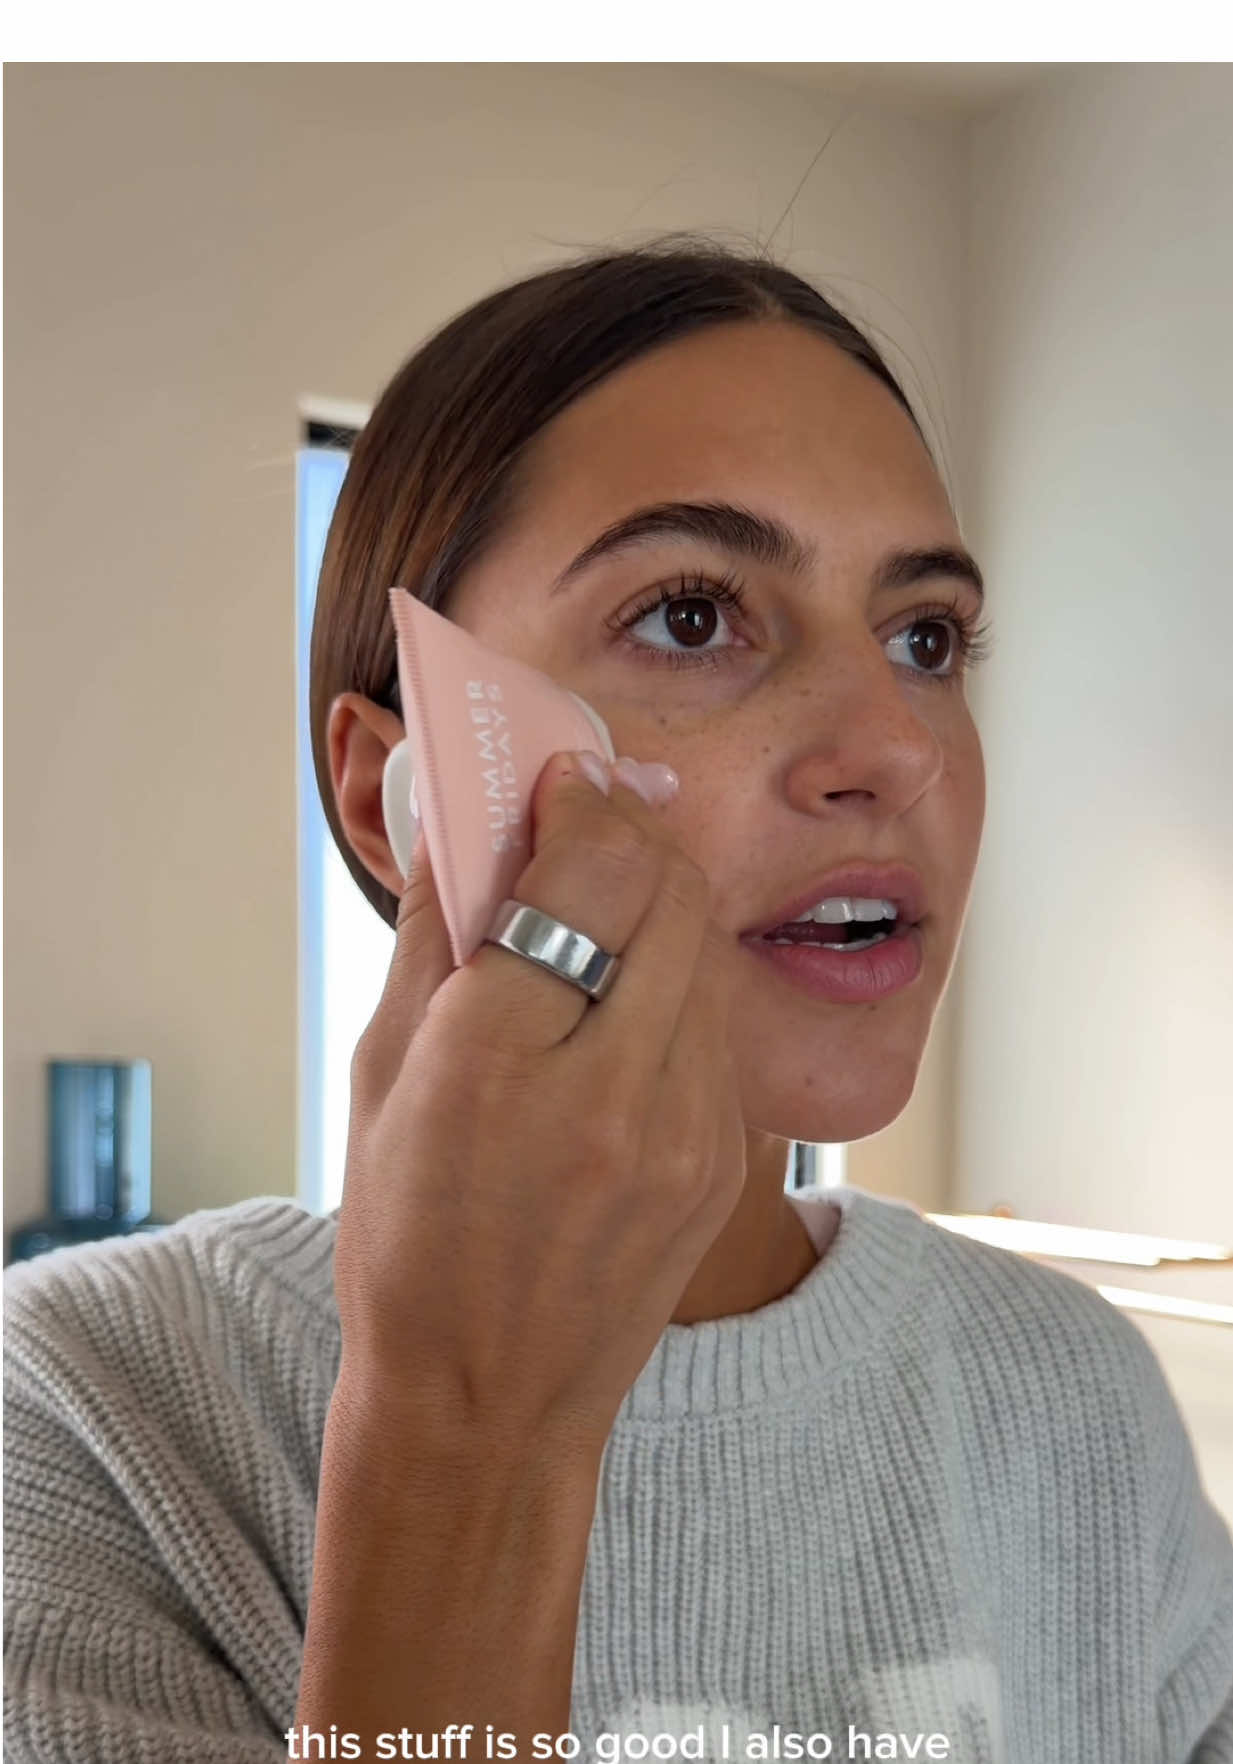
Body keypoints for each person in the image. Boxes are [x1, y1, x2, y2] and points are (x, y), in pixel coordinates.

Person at [5, 237, 1232, 1764]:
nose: (893, 747)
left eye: (924, 638)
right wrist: (464, 1435)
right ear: (393, 798)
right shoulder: (79, 1413)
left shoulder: (1074, 1401)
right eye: (692, 616)